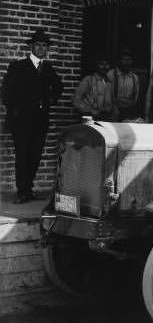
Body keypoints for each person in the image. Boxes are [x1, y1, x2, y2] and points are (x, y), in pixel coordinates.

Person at [1, 29, 63, 203]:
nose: (41, 49)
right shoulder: (18, 67)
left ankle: (29, 189)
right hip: (20, 121)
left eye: (44, 46)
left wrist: (50, 101)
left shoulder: (48, 69)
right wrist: (15, 110)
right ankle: (22, 192)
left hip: (40, 121)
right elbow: (5, 92)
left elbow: (59, 87)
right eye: (38, 45)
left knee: (35, 155)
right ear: (31, 47)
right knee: (22, 155)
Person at [73, 56, 115, 120]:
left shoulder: (109, 82)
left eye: (107, 64)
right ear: (96, 65)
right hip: (90, 117)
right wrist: (90, 110)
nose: (104, 67)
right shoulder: (88, 80)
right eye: (101, 64)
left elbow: (112, 102)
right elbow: (76, 100)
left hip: (105, 118)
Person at [106, 48, 140, 121]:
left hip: (128, 112)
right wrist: (113, 108)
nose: (127, 62)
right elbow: (108, 95)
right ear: (119, 61)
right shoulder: (111, 74)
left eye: (129, 60)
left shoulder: (134, 77)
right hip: (113, 112)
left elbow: (135, 97)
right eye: (124, 59)